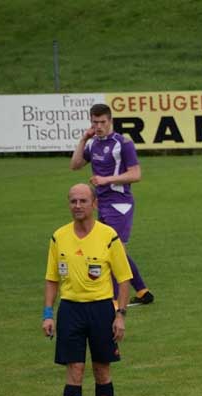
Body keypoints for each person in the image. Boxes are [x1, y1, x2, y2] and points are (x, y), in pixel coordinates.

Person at [42, 184, 132, 396]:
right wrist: (48, 314)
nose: (77, 205)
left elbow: (124, 279)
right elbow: (51, 279)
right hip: (71, 310)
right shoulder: (59, 237)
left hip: (102, 310)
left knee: (102, 370)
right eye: (73, 201)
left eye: (83, 201)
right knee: (75, 370)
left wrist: (120, 315)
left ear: (94, 204)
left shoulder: (108, 236)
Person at [70, 103, 154, 306]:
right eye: (95, 122)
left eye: (102, 122)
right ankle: (142, 291)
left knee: (111, 251)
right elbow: (75, 165)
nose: (98, 126)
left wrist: (106, 180)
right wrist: (83, 139)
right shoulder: (93, 144)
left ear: (110, 121)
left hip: (120, 204)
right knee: (118, 251)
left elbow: (136, 174)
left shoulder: (123, 143)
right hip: (102, 205)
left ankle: (114, 301)